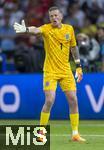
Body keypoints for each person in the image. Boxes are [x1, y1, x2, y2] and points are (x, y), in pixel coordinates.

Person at [13, 6, 86, 142]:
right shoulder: (47, 29)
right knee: (50, 100)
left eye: (56, 15)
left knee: (73, 100)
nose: (54, 18)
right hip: (50, 71)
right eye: (51, 16)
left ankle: (75, 134)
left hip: (65, 70)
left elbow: (74, 47)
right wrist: (27, 29)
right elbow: (36, 30)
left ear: (61, 16)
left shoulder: (69, 29)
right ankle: (40, 134)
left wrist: (78, 66)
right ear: (49, 18)